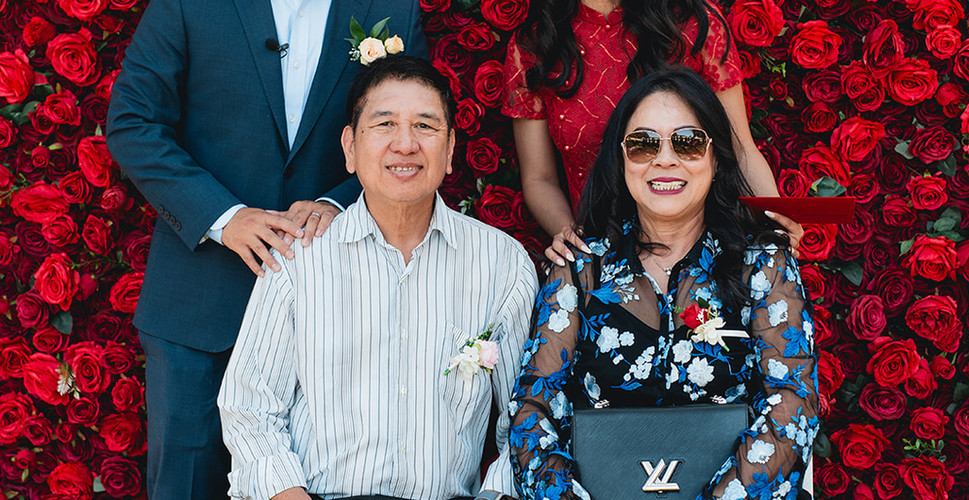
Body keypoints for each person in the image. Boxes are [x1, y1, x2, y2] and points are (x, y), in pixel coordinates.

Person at [105, 1, 426, 497]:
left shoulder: (390, 8)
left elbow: (413, 124)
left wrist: (336, 202)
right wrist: (225, 217)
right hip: (200, 304)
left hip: (330, 307)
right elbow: (134, 122)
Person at [218, 56, 538, 500]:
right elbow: (249, 407)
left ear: (449, 151)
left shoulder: (502, 263)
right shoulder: (299, 259)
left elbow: (527, 417)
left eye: (425, 126)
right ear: (350, 148)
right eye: (384, 124)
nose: (405, 144)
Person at [508, 66, 818, 500]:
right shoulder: (578, 269)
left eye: (688, 143)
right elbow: (533, 409)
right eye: (643, 144)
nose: (665, 159)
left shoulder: (762, 266)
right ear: (621, 158)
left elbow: (791, 404)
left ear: (715, 156)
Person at [503, 0, 798, 266]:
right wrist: (573, 238)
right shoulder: (536, 43)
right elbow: (538, 178)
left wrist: (773, 224)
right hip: (602, 253)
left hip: (705, 247)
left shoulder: (694, 21)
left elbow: (739, 147)